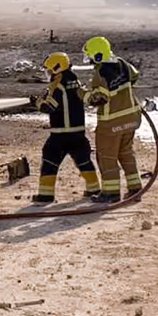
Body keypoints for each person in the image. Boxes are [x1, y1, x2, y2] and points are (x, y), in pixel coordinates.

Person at [30, 52, 102, 204]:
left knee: (50, 161)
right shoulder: (75, 81)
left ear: (57, 68)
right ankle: (94, 189)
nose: (48, 74)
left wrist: (37, 103)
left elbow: (49, 107)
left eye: (49, 70)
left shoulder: (59, 86)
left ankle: (45, 195)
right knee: (83, 161)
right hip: (78, 133)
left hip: (61, 134)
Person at [83, 36, 143, 204]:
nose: (89, 59)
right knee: (126, 154)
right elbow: (134, 75)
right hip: (131, 119)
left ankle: (111, 193)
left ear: (97, 55)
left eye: (90, 55)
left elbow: (98, 99)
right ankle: (135, 189)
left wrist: (81, 93)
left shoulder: (101, 73)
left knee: (106, 157)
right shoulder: (123, 63)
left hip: (111, 123)